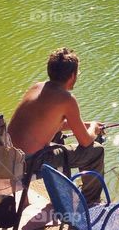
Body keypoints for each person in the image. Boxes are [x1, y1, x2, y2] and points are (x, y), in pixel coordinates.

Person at [8, 48, 105, 202]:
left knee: (57, 137)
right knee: (96, 151)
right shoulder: (67, 99)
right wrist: (93, 127)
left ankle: (61, 196)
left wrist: (85, 124)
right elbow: (86, 141)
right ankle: (90, 202)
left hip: (7, 154)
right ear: (72, 76)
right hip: (28, 163)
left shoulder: (37, 87)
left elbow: (49, 125)